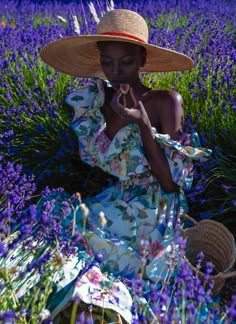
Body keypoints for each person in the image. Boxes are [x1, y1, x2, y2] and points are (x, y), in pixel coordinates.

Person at [14, 9, 212, 323]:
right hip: (119, 196)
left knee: (99, 245)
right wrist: (110, 127)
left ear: (143, 59)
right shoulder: (96, 100)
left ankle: (97, 305)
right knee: (57, 216)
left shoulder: (166, 101)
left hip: (157, 206)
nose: (116, 71)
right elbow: (94, 159)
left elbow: (172, 184)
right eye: (108, 62)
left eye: (126, 62)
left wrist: (144, 125)